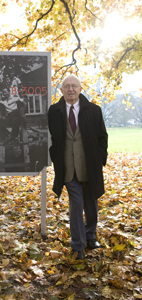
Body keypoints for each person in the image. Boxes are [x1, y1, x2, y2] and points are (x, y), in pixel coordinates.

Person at [48, 74, 108, 260]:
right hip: (67, 167)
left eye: (74, 86)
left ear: (80, 89)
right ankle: (78, 246)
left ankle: (91, 236)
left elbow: (102, 137)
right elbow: (52, 138)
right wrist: (54, 156)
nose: (71, 89)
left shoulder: (93, 110)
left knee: (91, 205)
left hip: (90, 166)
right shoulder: (54, 111)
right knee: (76, 205)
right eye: (67, 86)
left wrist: (100, 159)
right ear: (61, 91)